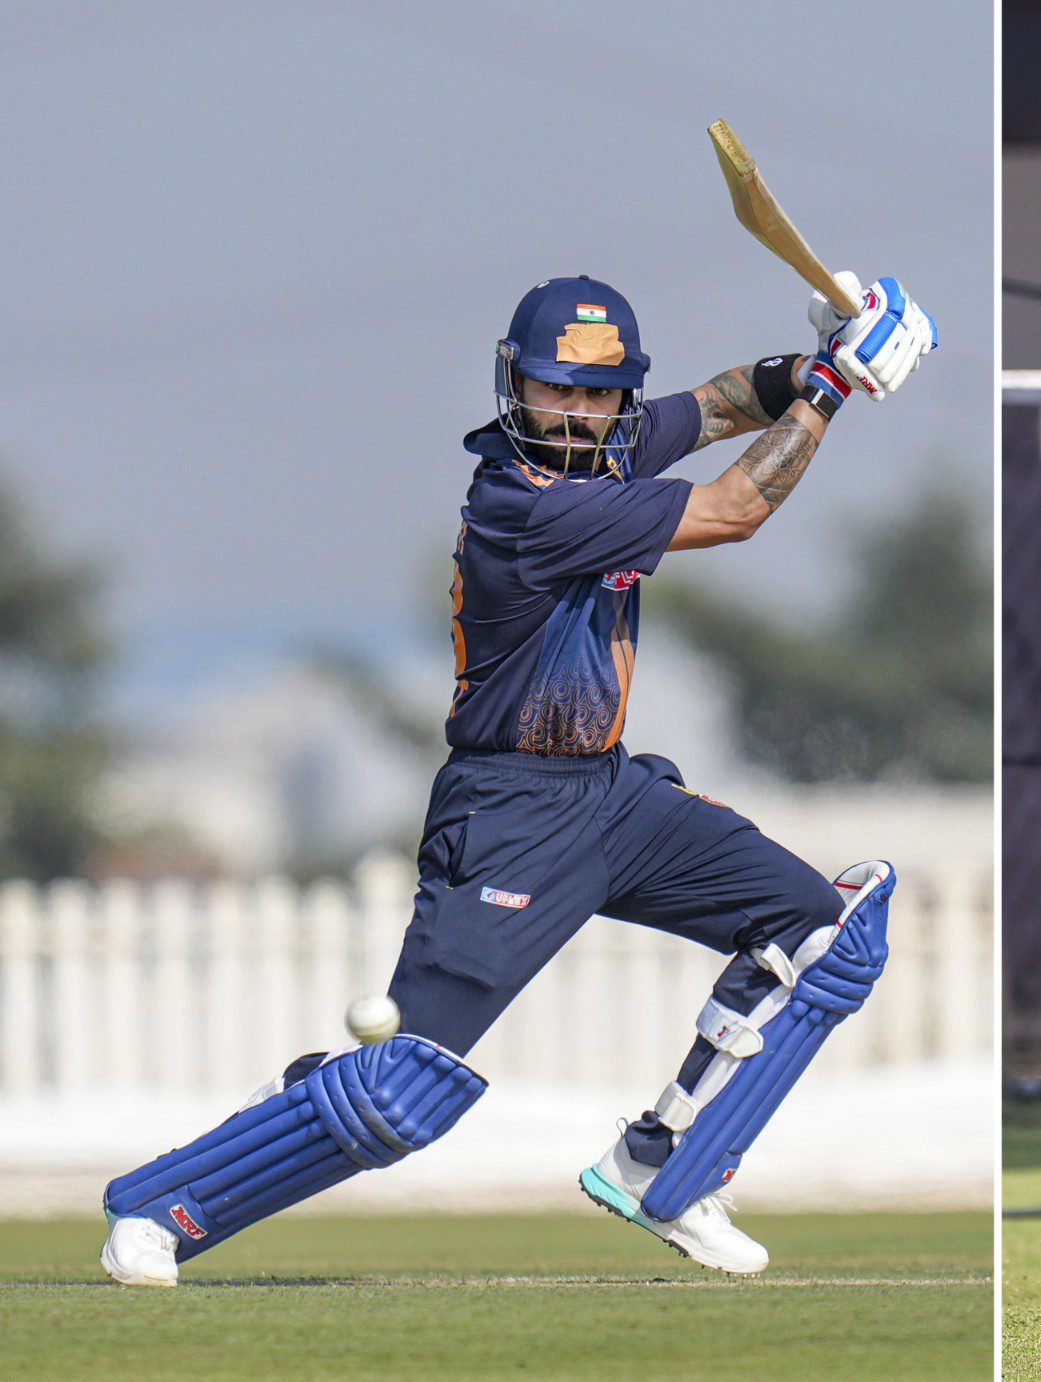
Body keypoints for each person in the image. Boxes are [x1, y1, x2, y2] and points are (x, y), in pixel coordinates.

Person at [98, 271, 937, 1287]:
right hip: (508, 812)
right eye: (556, 389)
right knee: (403, 1094)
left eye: (599, 393)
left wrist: (818, 354)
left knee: (825, 935)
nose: (577, 412)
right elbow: (733, 508)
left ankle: (663, 1164)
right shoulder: (524, 504)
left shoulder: (610, 446)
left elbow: (721, 405)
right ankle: (160, 1205)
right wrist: (839, 387)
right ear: (516, 386)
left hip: (613, 796)